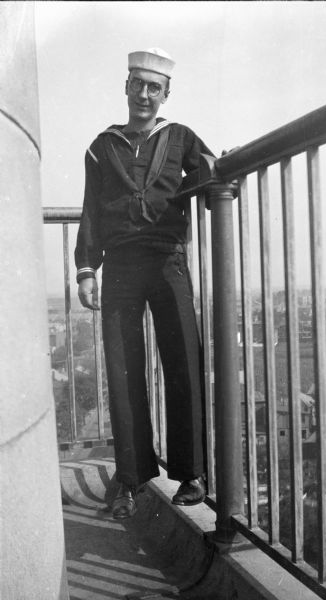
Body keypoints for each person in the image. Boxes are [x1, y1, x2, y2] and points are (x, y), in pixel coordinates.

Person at [75, 48, 215, 519]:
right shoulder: (102, 145)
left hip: (168, 262)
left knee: (182, 360)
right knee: (123, 367)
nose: (145, 94)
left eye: (155, 87)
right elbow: (92, 210)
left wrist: (223, 168)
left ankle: (191, 473)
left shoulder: (181, 137)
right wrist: (87, 269)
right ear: (127, 87)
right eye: (138, 84)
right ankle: (132, 478)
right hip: (120, 266)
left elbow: (212, 177)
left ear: (166, 94)